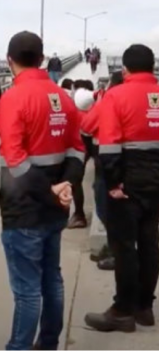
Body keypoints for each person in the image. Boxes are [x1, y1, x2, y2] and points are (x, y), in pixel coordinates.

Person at [0, 31, 85, 350]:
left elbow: (16, 162)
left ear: (10, 61)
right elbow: (78, 149)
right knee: (53, 279)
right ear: (43, 59)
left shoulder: (13, 99)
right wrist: (65, 187)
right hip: (56, 208)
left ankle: (19, 347)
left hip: (24, 208)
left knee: (27, 290)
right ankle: (48, 343)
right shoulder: (63, 96)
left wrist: (51, 190)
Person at [85, 45, 159, 333]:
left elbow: (110, 144)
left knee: (125, 246)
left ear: (126, 69)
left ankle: (122, 311)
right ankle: (145, 307)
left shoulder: (116, 95)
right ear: (151, 67)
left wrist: (114, 183)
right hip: (156, 180)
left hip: (129, 177)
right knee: (151, 243)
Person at [81, 71, 124, 272]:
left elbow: (87, 125)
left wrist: (101, 100)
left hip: (106, 161)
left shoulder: (109, 101)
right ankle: (115, 248)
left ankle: (117, 252)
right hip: (134, 162)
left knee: (106, 206)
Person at [67, 80, 95, 229]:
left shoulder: (74, 111)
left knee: (75, 181)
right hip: (97, 143)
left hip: (81, 145)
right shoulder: (99, 108)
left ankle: (79, 215)